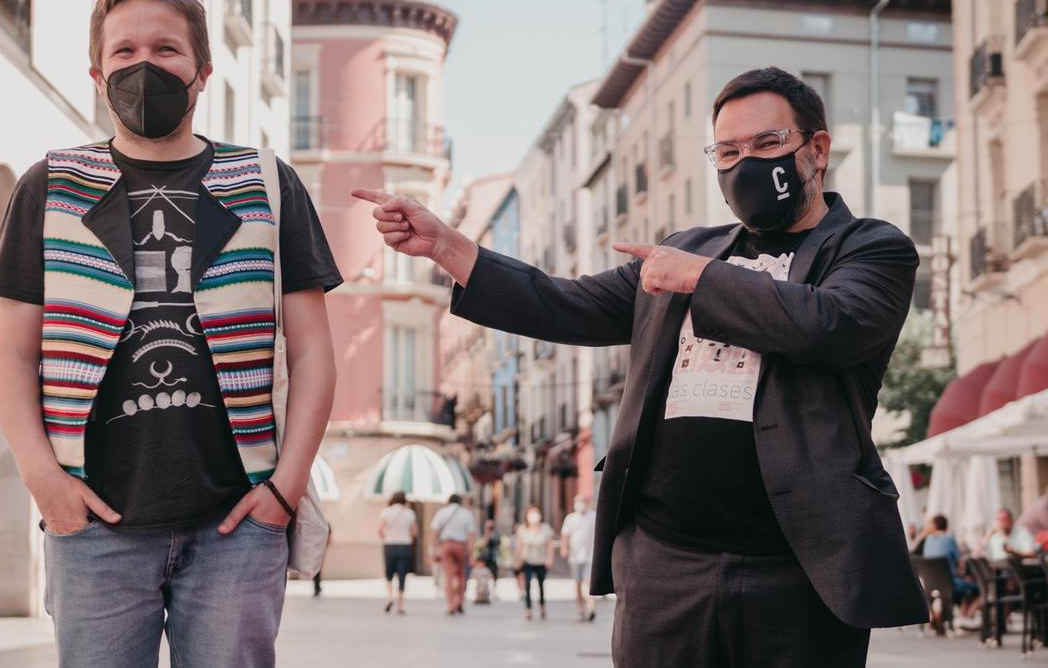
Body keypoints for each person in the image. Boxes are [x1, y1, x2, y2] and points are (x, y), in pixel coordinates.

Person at [354, 65, 927, 666]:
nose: (746, 164)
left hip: (797, 570)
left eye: (767, 144)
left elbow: (828, 325)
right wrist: (447, 246)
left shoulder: (870, 248)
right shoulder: (688, 249)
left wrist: (699, 279)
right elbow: (565, 304)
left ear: (817, 149)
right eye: (728, 151)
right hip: (664, 569)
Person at [0, 0, 341, 665]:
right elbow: (9, 354)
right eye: (124, 52)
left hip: (238, 524)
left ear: (202, 70)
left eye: (166, 50)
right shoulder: (51, 186)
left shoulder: (267, 185)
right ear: (97, 74)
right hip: (92, 525)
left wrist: (283, 490)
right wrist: (45, 482)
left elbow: (315, 349)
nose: (144, 67)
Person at [919, 515, 981, 627]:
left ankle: (944, 615)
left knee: (964, 586)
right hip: (949, 584)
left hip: (929, 585)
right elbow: (959, 560)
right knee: (977, 588)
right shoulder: (949, 538)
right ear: (946, 525)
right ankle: (966, 617)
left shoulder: (928, 540)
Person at [430, 494, 476, 616]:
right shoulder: (467, 514)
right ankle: (459, 602)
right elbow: (471, 536)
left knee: (448, 576)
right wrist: (471, 554)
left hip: (446, 545)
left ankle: (450, 605)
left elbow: (434, 533)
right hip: (461, 546)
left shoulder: (442, 512)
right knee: (461, 575)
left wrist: (433, 550)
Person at [378, 491, 417, 614]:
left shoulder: (386, 512)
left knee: (389, 573)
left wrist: (388, 536)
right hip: (405, 546)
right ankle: (400, 605)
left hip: (390, 545)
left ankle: (390, 597)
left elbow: (380, 531)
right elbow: (414, 533)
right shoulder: (410, 513)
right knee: (402, 575)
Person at [560, 495, 597, 621]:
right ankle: (581, 608)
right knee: (578, 584)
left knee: (588, 582)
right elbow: (565, 535)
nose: (580, 504)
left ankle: (591, 608)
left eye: (583, 502)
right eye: (578, 502)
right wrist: (564, 548)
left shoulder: (594, 516)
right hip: (575, 557)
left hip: (590, 556)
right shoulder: (570, 519)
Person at [515, 505, 554, 621]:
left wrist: (549, 559)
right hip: (527, 560)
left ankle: (542, 606)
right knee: (527, 585)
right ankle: (528, 609)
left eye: (536, 513)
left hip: (541, 561)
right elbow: (519, 546)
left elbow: (550, 545)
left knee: (541, 585)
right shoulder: (523, 529)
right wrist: (516, 560)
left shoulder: (545, 528)